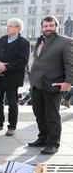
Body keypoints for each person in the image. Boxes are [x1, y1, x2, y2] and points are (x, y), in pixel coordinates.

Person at [28, 16, 73, 155]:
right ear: (42, 27)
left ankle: (53, 143)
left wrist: (68, 83)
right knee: (39, 114)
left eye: (51, 26)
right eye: (46, 26)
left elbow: (70, 64)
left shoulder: (65, 42)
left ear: (56, 27)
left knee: (52, 115)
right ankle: (43, 138)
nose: (48, 28)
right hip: (36, 84)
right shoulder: (41, 41)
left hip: (53, 84)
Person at [0, 18, 30, 137]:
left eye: (10, 26)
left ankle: (12, 126)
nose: (7, 28)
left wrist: (6, 66)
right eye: (7, 26)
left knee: (12, 103)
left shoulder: (24, 43)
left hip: (13, 77)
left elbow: (23, 61)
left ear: (18, 29)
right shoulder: (1, 40)